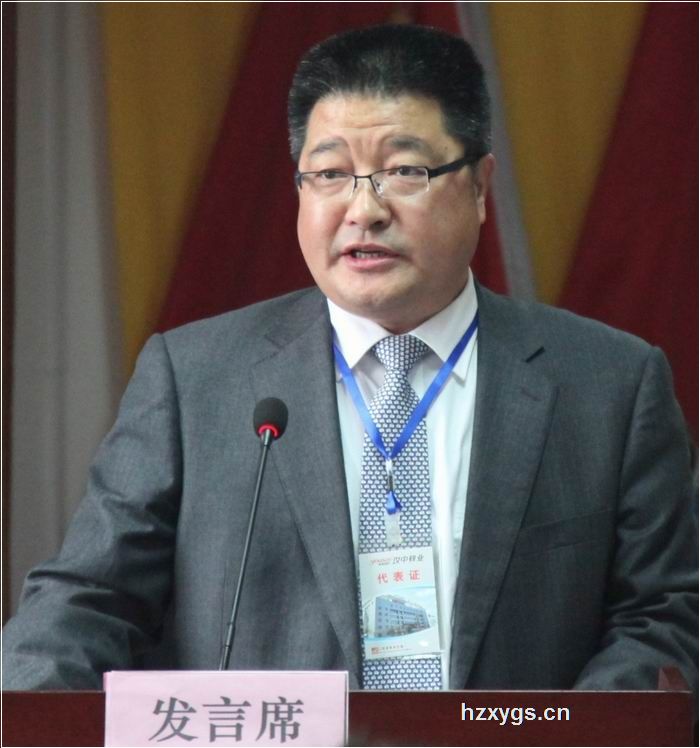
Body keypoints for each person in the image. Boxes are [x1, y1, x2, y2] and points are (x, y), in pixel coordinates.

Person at [3, 24, 697, 693]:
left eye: (404, 170)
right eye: (331, 173)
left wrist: (556, 737)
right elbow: (88, 601)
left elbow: (666, 616)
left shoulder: (609, 385)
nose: (363, 210)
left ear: (480, 186)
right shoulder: (195, 381)